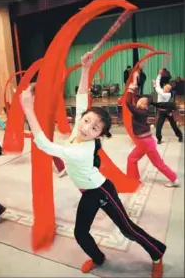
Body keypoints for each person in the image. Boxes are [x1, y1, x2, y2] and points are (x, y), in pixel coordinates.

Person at [21, 52, 167, 278]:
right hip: (88, 191)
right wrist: (86, 68)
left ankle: (157, 253)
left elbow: (43, 144)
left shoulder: (80, 150)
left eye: (94, 128)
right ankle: (99, 258)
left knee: (127, 229)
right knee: (81, 233)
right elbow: (81, 98)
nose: (87, 127)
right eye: (86, 120)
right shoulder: (78, 129)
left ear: (99, 135)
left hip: (100, 191)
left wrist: (28, 109)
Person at [126, 93, 180, 188]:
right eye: (140, 101)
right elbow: (137, 98)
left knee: (158, 163)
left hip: (146, 143)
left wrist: (129, 91)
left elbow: (127, 104)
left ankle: (174, 179)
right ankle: (132, 180)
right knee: (131, 159)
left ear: (145, 106)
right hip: (143, 143)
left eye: (142, 102)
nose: (139, 102)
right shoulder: (141, 109)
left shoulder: (141, 112)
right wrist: (134, 85)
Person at [153, 71, 183, 144]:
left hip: (168, 111)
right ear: (164, 86)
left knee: (173, 125)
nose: (167, 89)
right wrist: (159, 74)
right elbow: (157, 82)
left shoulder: (167, 95)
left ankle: (180, 136)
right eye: (166, 87)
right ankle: (159, 138)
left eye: (169, 89)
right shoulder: (160, 90)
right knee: (159, 125)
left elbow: (157, 87)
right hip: (161, 112)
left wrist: (155, 85)